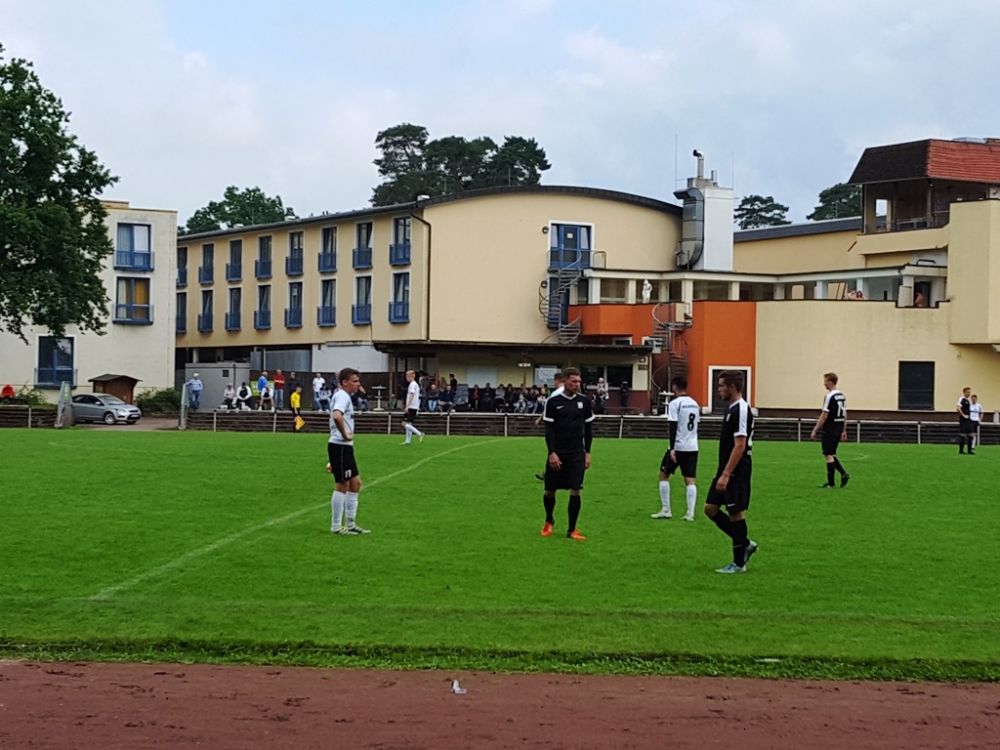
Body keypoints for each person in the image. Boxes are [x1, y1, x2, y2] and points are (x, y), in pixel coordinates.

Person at [704, 371, 758, 574]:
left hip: (737, 468)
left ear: (732, 387)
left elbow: (740, 445)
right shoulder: (731, 409)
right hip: (726, 467)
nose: (718, 389)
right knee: (710, 508)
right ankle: (745, 543)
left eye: (721, 386)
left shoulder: (741, 409)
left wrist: (726, 474)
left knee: (735, 512)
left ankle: (738, 563)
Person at [540, 368, 593, 541]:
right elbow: (549, 430)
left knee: (576, 490)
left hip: (576, 453)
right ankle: (549, 519)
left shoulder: (584, 401)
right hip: (558, 452)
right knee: (549, 491)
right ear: (565, 382)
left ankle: (572, 530)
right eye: (574, 382)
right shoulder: (553, 402)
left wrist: (587, 453)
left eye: (579, 382)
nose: (577, 385)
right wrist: (552, 453)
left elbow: (589, 429)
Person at [326, 367, 370, 535]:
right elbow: (337, 416)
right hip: (340, 445)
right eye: (355, 381)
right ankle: (336, 526)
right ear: (345, 382)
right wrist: (345, 434)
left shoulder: (343, 396)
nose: (358, 384)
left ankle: (351, 524)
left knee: (355, 483)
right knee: (342, 484)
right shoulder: (342, 396)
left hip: (343, 447)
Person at [652, 376, 700, 521]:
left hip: (678, 446)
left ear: (674, 386)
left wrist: (672, 448)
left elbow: (673, 425)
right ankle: (690, 513)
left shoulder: (675, 404)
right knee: (690, 480)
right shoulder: (695, 404)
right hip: (692, 446)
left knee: (663, 475)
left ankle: (666, 510)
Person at [810, 372, 850, 488]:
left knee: (828, 454)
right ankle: (843, 475)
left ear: (830, 382)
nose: (824, 384)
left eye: (825, 381)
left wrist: (815, 430)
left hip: (830, 428)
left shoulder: (829, 396)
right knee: (831, 454)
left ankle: (832, 482)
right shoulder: (841, 396)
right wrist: (843, 430)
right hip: (838, 427)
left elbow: (824, 416)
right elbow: (845, 414)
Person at [535, 372, 566, 481]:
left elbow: (548, 409)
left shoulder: (556, 393)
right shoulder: (569, 392)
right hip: (569, 426)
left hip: (557, 427)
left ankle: (549, 475)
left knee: (553, 450)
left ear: (557, 381)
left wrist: (539, 419)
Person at [401, 369, 425, 445]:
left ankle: (419, 433)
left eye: (407, 376)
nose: (406, 377)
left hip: (411, 406)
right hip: (414, 406)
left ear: (412, 376)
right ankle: (408, 441)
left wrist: (407, 406)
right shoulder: (415, 384)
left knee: (404, 423)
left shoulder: (412, 384)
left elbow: (412, 395)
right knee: (409, 423)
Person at [957, 386, 975, 455]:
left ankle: (969, 450)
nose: (969, 393)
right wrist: (963, 415)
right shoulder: (961, 399)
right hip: (963, 420)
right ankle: (961, 450)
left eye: (969, 392)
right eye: (967, 392)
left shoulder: (968, 400)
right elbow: (958, 408)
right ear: (964, 392)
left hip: (968, 420)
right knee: (963, 435)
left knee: (971, 435)